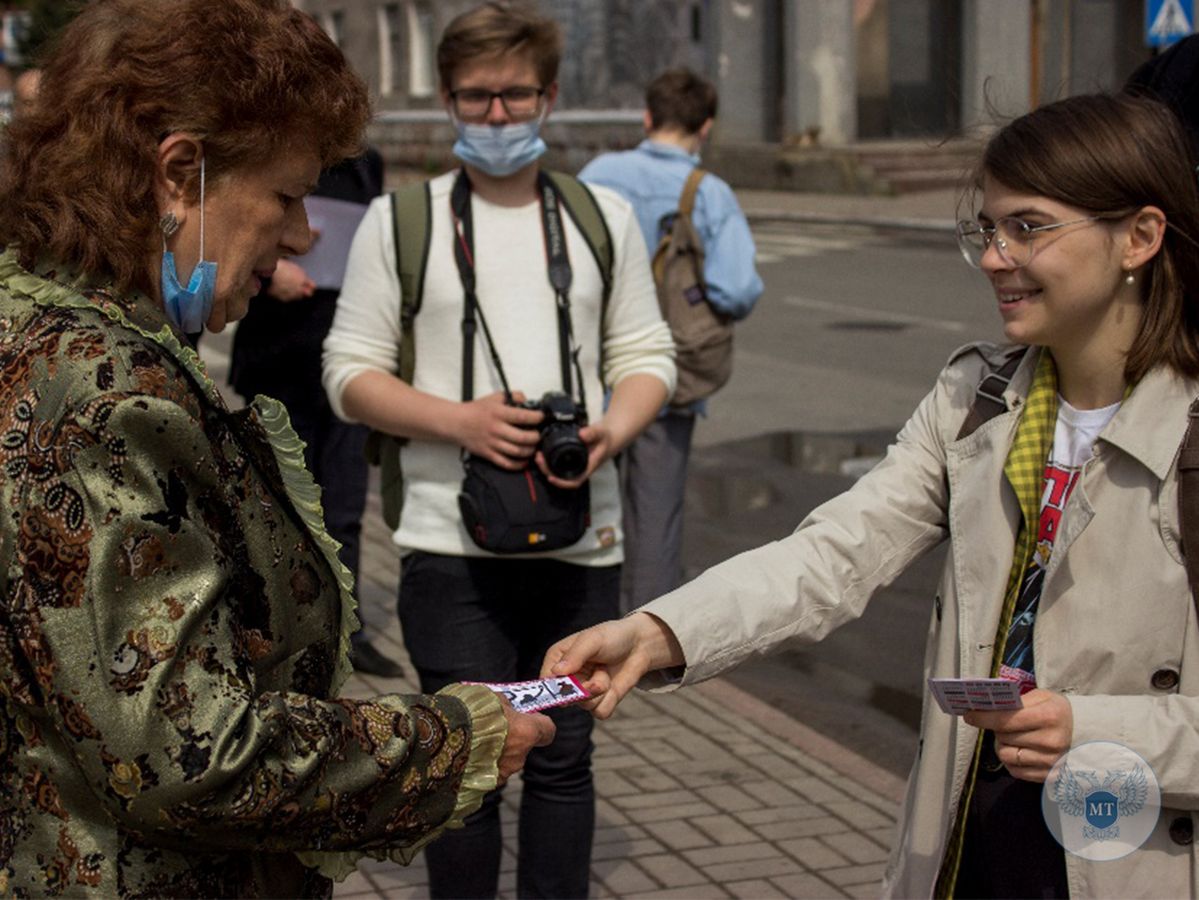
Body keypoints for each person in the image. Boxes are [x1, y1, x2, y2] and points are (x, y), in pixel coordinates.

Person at [544, 92, 1199, 898]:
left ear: (1139, 235)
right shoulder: (977, 399)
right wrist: (660, 631)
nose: (995, 256)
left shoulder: (1187, 428)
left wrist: (1096, 730)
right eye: (986, 230)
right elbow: (833, 554)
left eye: (1027, 227)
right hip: (973, 834)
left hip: (1133, 851)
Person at [0, 1, 554, 896]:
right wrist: (453, 740)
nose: (302, 236)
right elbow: (189, 752)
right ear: (179, 172)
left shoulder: (39, 326)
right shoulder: (105, 395)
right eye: (289, 196)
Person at [322, 2, 675, 896]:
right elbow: (348, 372)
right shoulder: (402, 222)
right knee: (464, 773)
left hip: (579, 538)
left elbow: (646, 356)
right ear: (447, 100)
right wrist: (461, 422)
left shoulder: (602, 218)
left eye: (515, 96)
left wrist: (611, 429)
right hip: (447, 544)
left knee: (563, 764)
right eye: (475, 98)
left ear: (548, 96)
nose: (496, 118)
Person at [579, 67, 763, 610]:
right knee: (655, 514)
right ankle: (642, 637)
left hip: (593, 366)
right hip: (669, 373)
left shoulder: (595, 172)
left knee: (588, 500)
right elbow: (736, 290)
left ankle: (582, 619)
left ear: (646, 117)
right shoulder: (708, 193)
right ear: (704, 127)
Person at [230, 147, 405, 679]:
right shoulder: (263, 153)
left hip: (346, 368)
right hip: (280, 357)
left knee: (346, 506)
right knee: (279, 506)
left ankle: (346, 634)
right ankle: (277, 637)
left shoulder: (365, 164)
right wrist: (272, 270)